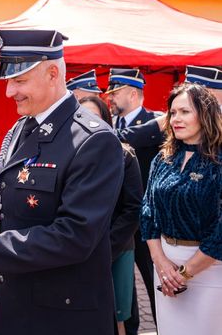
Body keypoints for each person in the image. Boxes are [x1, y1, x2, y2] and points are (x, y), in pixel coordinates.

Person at [0, 29, 124, 335]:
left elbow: (73, 237)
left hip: (62, 314)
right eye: (9, 81)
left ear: (53, 73)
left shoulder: (93, 140)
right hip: (16, 300)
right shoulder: (21, 128)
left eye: (19, 81)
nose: (9, 92)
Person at [140, 83, 222, 334]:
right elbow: (147, 210)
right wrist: (160, 262)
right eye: (173, 112)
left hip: (209, 270)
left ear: (205, 115)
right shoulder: (163, 158)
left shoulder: (218, 162)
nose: (176, 119)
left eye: (185, 112)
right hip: (164, 267)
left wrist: (184, 274)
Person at [80, 96, 143, 335]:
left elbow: (133, 208)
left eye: (94, 117)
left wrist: (106, 246)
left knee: (119, 318)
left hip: (116, 248)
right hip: (79, 249)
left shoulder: (125, 155)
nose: (88, 122)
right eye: (82, 116)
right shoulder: (69, 156)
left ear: (106, 120)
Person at [105, 67, 159, 333]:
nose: (110, 98)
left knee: (155, 285)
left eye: (115, 92)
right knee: (124, 289)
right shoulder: (109, 126)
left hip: (147, 222)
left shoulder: (158, 122)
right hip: (120, 223)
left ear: (133, 94)